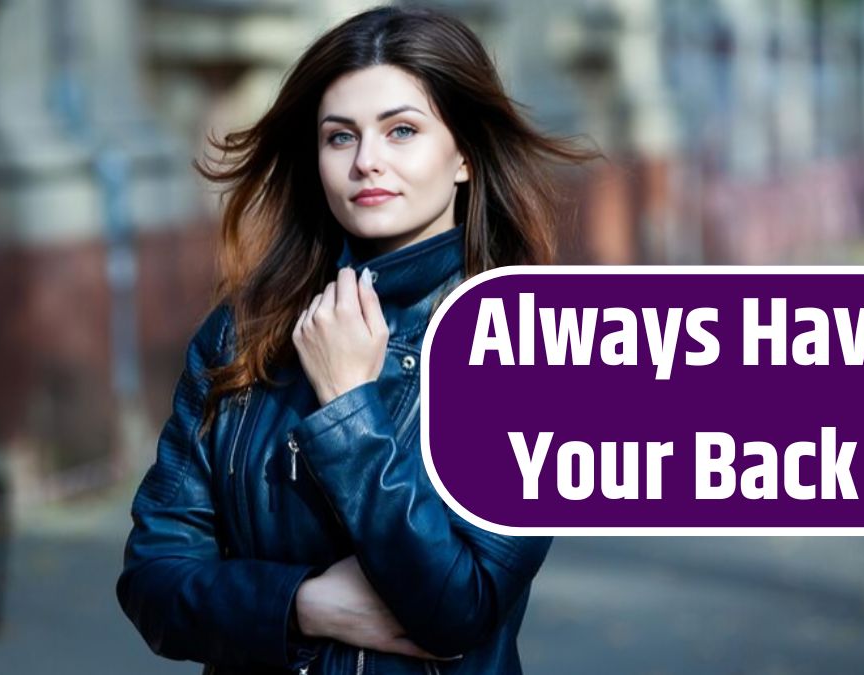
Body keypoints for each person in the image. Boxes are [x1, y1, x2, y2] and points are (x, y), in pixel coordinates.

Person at [117, 6, 595, 674]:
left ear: (462, 154)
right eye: (340, 138)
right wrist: (302, 605)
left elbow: (459, 606)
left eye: (402, 131)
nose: (368, 161)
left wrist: (348, 406)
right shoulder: (241, 333)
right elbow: (153, 579)